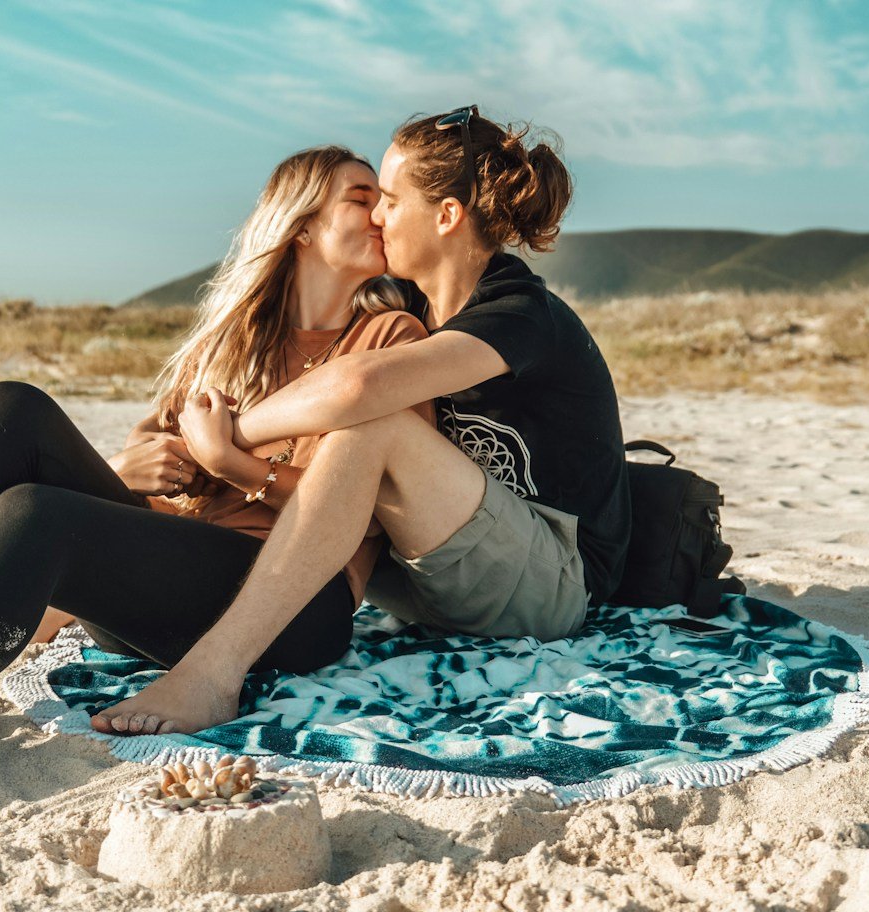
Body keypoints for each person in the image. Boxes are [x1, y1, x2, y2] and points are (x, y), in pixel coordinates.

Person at [0, 145, 433, 785]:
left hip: (293, 605)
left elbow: (376, 509)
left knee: (37, 515)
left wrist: (233, 463)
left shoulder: (390, 337)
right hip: (163, 586)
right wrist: (130, 468)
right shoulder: (230, 347)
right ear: (302, 224)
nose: (382, 211)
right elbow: (150, 455)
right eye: (361, 195)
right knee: (8, 409)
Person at [95, 105, 631, 737]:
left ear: (448, 216)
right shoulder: (412, 304)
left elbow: (355, 387)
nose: (377, 215)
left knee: (376, 420)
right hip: (427, 569)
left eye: (391, 200)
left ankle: (214, 674)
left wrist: (230, 442)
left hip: (548, 584)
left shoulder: (518, 313)